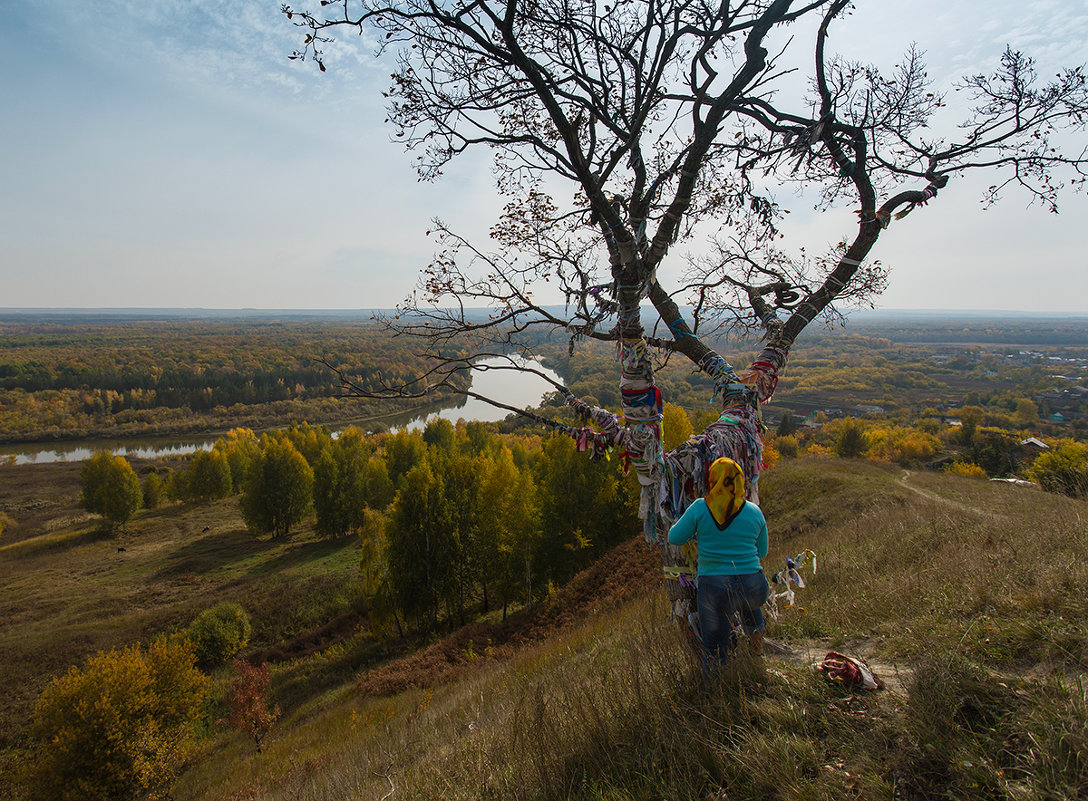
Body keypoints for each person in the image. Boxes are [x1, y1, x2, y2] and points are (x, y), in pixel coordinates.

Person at [667, 456, 770, 667]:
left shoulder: (699, 508)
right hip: (754, 586)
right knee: (747, 600)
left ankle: (716, 684)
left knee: (714, 644)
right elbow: (763, 551)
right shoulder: (754, 511)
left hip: (715, 588)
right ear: (740, 480)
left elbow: (674, 537)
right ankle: (757, 644)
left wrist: (698, 530)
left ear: (712, 480)